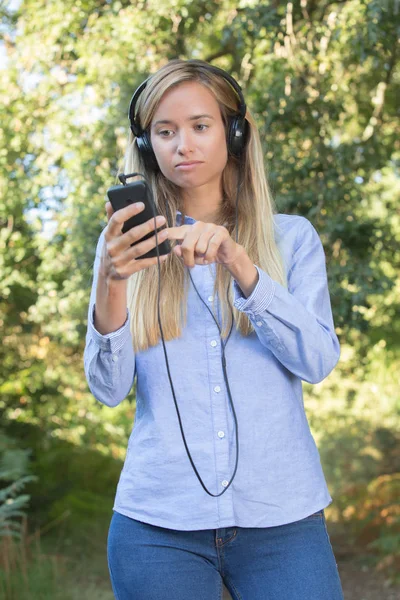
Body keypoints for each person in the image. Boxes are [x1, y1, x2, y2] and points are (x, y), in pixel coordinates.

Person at [84, 59, 344, 600]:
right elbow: (108, 391)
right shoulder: (121, 248)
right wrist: (111, 282)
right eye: (165, 130)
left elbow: (318, 361)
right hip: (156, 525)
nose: (183, 144)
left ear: (234, 133)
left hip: (283, 519)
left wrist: (243, 267)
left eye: (200, 126)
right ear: (146, 142)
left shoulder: (291, 240)